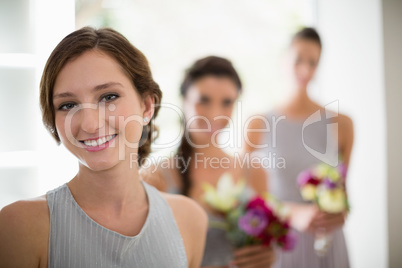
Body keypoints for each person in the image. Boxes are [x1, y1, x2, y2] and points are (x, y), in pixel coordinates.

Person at [0, 27, 207, 268]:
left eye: (108, 97)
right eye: (68, 105)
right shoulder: (19, 226)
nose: (89, 124)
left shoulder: (190, 220)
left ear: (147, 106)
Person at [142, 56, 275, 268]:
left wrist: (267, 255)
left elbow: (264, 241)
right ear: (184, 100)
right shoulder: (155, 176)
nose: (215, 114)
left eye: (227, 102)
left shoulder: (254, 171)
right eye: (203, 100)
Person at [244, 27, 354, 268]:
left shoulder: (342, 124)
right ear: (283, 60)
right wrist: (293, 214)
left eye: (313, 62)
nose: (305, 69)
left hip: (327, 245)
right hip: (280, 242)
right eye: (298, 60)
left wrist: (339, 212)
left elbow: (344, 193)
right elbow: (247, 198)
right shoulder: (257, 124)